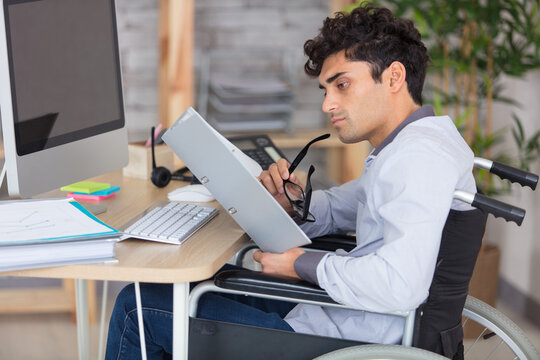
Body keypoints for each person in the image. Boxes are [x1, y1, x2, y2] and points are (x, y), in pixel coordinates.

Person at [105, 3, 477, 359]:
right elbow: (346, 206)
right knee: (199, 286)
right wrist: (292, 201)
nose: (327, 104)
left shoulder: (417, 159)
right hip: (339, 312)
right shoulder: (415, 144)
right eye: (326, 90)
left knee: (138, 307)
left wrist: (300, 263)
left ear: (394, 77)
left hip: (347, 340)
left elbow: (400, 285)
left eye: (342, 85)